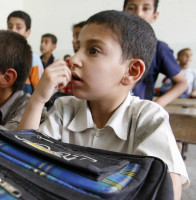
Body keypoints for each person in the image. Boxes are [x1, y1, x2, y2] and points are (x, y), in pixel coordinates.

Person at [17, 10, 189, 200]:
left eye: (93, 51)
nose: (73, 60)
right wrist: (38, 99)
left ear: (132, 71)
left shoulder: (148, 117)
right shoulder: (65, 108)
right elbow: (18, 159)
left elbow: (167, 190)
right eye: (77, 49)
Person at [123, 0, 188, 107]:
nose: (138, 13)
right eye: (132, 8)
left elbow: (182, 83)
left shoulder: (159, 48)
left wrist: (156, 105)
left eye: (146, 8)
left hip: (138, 115)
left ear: (154, 16)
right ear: (123, 13)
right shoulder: (111, 45)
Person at [7, 10, 44, 94]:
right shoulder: (0, 55)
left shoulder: (33, 58)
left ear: (28, 32)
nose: (13, 30)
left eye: (18, 27)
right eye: (10, 26)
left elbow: (39, 89)